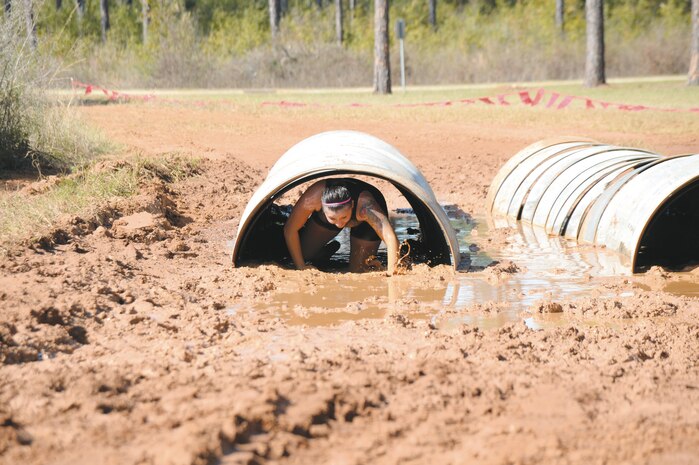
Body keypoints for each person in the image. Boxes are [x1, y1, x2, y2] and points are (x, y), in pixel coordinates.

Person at [283, 178, 399, 275]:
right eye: (333, 219)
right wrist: (301, 267)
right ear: (322, 207)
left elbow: (391, 238)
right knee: (303, 256)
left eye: (344, 217)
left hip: (365, 219)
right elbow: (290, 229)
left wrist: (392, 272)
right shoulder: (313, 198)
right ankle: (325, 252)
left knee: (358, 271)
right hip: (331, 211)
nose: (339, 224)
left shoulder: (367, 207)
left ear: (352, 205)